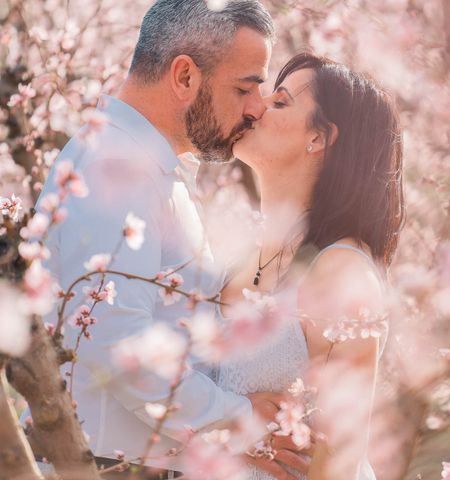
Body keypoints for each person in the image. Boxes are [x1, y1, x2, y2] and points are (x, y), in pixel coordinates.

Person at [32, 1, 307, 477]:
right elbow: (118, 342)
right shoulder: (114, 167)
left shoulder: (154, 167)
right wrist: (239, 416)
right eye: (245, 87)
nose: (256, 107)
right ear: (184, 77)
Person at [212, 52, 405, 479]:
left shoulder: (339, 273)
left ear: (319, 138)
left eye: (279, 102)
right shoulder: (237, 259)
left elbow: (339, 459)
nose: (256, 106)